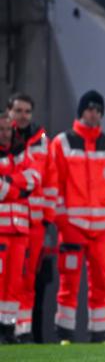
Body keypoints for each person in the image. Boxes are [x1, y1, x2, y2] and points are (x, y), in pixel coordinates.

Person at [50, 90, 105, 343]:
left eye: (97, 110)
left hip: (104, 229)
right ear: (81, 111)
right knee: (69, 281)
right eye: (89, 109)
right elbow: (54, 184)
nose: (93, 114)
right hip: (72, 225)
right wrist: (62, 220)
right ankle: (65, 335)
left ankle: (99, 335)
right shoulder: (62, 143)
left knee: (101, 283)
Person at [7, 93, 58, 343]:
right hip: (7, 220)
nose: (23, 115)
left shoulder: (41, 140)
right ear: (9, 112)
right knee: (7, 278)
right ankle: (8, 327)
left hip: (33, 222)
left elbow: (47, 179)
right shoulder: (7, 140)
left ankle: (22, 330)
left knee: (27, 278)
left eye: (27, 111)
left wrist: (47, 217)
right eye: (19, 111)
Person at [0, 112, 37, 343]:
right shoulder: (18, 157)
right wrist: (18, 188)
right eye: (1, 130)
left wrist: (9, 183)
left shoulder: (21, 152)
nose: (5, 134)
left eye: (7, 129)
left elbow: (33, 180)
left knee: (15, 283)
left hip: (20, 229)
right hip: (2, 230)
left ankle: (8, 327)